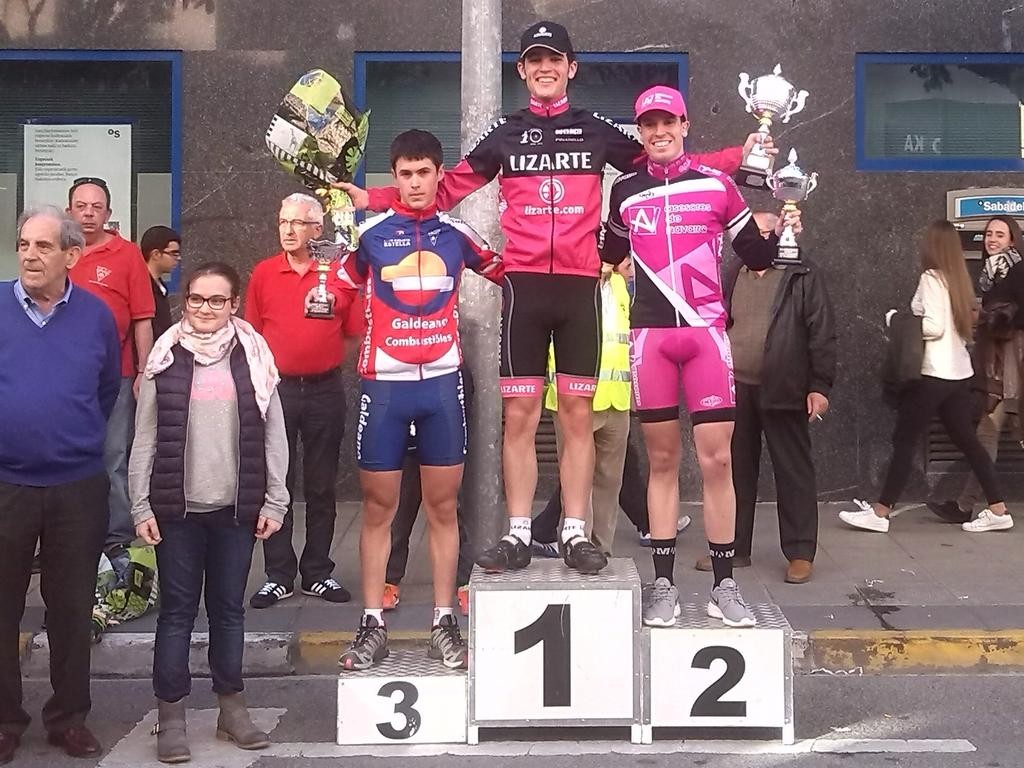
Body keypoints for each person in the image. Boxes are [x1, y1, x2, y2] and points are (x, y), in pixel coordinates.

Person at [336, 21, 771, 576]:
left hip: (578, 288)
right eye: (534, 60)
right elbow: (445, 189)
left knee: (575, 415)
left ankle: (572, 531)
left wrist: (741, 156)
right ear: (521, 71)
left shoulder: (595, 130)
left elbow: (670, 165)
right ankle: (518, 532)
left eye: (554, 59)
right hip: (522, 288)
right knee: (518, 416)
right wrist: (375, 197)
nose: (545, 68)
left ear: (571, 68)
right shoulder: (506, 133)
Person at [602, 86, 799, 629]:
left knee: (717, 462)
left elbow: (755, 256)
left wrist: (782, 224)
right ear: (640, 133)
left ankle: (724, 586)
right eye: (649, 124)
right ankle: (662, 586)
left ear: (685, 125)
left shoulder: (717, 185)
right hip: (650, 341)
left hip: (706, 336)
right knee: (662, 462)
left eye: (668, 122)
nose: (659, 132)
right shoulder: (626, 191)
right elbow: (609, 255)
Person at [331, 130, 502, 671]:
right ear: (394, 177)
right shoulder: (372, 235)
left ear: (438, 174)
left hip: (441, 386)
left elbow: (508, 272)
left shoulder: (458, 233)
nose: (414, 183)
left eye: (423, 172)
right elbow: (334, 287)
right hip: (383, 385)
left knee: (442, 508)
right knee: (378, 509)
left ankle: (444, 620)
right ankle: (371, 625)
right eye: (404, 174)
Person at [130, 261, 288, 763]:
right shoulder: (164, 357)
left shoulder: (254, 356)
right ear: (186, 300)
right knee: (176, 615)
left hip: (237, 513)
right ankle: (171, 716)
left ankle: (231, 710)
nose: (204, 309)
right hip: (177, 512)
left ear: (234, 304)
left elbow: (274, 435)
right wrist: (140, 505)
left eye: (217, 300)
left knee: (228, 612)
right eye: (196, 299)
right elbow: (146, 437)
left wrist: (276, 499)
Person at [0, 206, 120, 763]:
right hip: (7, 485)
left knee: (71, 609)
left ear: (71, 256)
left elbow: (104, 390)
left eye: (43, 246)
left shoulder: (96, 316)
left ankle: (69, 717)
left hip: (77, 485)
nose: (29, 255)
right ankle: (5, 720)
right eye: (24, 244)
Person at [839, 221, 1010, 533]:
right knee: (969, 442)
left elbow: (933, 327)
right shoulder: (959, 281)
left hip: (932, 375)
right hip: (959, 375)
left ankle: (879, 513)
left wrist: (897, 320)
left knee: (904, 441)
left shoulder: (931, 278)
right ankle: (998, 509)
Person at [695, 212, 835, 584]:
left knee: (793, 471)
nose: (753, 239)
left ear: (779, 233)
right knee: (734, 468)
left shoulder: (802, 273)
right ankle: (735, 546)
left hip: (785, 385)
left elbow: (821, 330)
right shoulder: (734, 272)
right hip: (735, 386)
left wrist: (819, 386)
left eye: (761, 231)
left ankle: (801, 551)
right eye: (748, 232)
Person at [245, 193, 354, 608]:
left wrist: (322, 358)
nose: (288, 231)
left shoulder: (339, 273)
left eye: (297, 223)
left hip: (326, 389)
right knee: (277, 484)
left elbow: (353, 327)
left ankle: (318, 572)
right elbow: (252, 334)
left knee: (323, 485)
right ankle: (278, 574)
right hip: (277, 391)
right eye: (283, 222)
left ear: (317, 229)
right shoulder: (264, 273)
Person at [66, 176, 155, 569]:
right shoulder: (59, 252)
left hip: (117, 375)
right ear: (69, 211)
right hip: (64, 379)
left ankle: (117, 538)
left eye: (96, 206)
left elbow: (142, 318)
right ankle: (64, 532)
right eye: (81, 206)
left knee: (115, 455)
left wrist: (143, 372)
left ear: (108, 214)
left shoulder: (127, 254)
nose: (88, 212)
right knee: (65, 455)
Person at [928, 215, 1024, 529]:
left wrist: (983, 317)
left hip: (1012, 365)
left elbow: (1012, 318)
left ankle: (972, 507)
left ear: (1013, 239)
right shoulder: (990, 274)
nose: (992, 239)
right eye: (988, 234)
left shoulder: (1017, 270)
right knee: (987, 433)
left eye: (1000, 234)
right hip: (997, 365)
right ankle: (967, 505)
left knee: (991, 431)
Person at [384, 367, 476, 616]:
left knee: (449, 508)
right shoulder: (397, 353)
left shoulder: (454, 360)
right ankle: (389, 579)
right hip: (404, 432)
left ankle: (464, 580)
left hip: (442, 430)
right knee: (401, 506)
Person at [140, 225, 181, 339]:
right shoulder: (141, 287)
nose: (178, 258)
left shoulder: (160, 285)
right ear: (156, 254)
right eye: (174, 253)